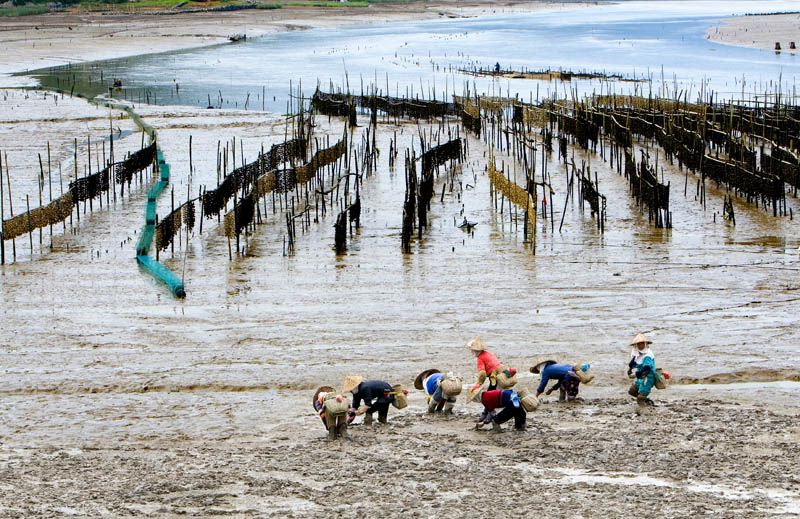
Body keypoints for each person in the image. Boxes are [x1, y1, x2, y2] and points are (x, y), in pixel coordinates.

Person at [628, 333, 657, 409]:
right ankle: (647, 402)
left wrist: (636, 374)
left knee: (640, 398)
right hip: (641, 377)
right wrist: (630, 369)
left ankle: (644, 411)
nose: (640, 346)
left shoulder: (648, 355)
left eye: (642, 344)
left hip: (648, 377)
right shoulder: (637, 353)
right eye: (639, 344)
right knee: (632, 391)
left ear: (645, 344)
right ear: (636, 345)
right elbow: (633, 361)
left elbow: (647, 368)